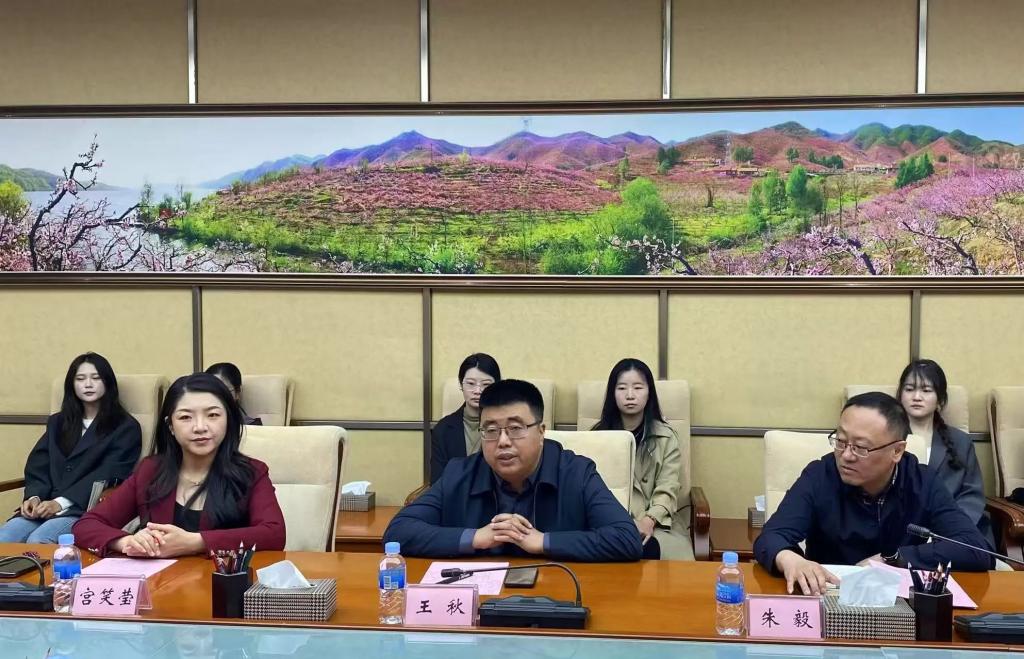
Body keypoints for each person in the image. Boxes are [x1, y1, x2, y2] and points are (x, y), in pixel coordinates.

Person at [753, 392, 992, 596]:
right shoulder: (820, 475)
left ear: (897, 451)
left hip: (899, 605)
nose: (846, 456)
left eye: (861, 447)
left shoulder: (922, 482)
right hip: (829, 596)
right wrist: (790, 558)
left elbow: (975, 549)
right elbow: (772, 536)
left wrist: (892, 559)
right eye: (841, 441)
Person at [385, 379, 643, 562]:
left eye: (516, 428)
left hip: (557, 599)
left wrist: (542, 542)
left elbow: (625, 538)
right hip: (481, 603)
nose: (503, 441)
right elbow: (398, 532)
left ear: (541, 432)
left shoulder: (576, 473)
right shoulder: (459, 474)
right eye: (491, 430)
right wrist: (476, 537)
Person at [73, 373, 285, 557]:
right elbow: (86, 525)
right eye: (185, 417)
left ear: (228, 420)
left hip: (223, 585)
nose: (200, 427)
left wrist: (196, 542)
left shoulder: (251, 473)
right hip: (164, 584)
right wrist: (126, 541)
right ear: (170, 426)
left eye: (212, 415)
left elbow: (274, 534)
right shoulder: (150, 471)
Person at [0, 353, 141, 544]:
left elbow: (108, 472)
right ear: (72, 385)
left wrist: (60, 503)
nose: (88, 384)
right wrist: (34, 496)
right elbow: (39, 464)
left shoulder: (125, 427)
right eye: (80, 379)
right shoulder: (58, 422)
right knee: (4, 538)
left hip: (83, 508)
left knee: (39, 540)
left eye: (96, 378)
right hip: (43, 506)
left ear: (107, 382)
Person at [592, 358, 685, 559]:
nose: (630, 395)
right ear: (613, 393)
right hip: (608, 522)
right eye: (622, 388)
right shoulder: (597, 437)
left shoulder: (666, 437)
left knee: (662, 557)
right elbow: (591, 490)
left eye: (638, 387)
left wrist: (649, 520)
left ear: (649, 392)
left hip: (656, 522)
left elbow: (668, 487)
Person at [898, 359, 995, 549]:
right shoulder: (887, 440)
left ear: (940, 399)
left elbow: (972, 495)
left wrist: (952, 530)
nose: (916, 397)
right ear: (900, 395)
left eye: (926, 390)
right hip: (904, 532)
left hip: (955, 532)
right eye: (909, 389)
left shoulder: (960, 441)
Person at [430, 353, 501, 484]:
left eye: (486, 384)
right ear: (461, 385)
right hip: (456, 494)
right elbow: (437, 481)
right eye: (471, 383)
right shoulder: (443, 429)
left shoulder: (507, 425)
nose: (478, 391)